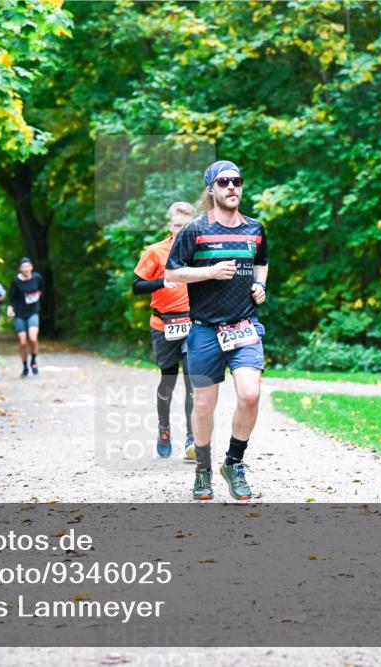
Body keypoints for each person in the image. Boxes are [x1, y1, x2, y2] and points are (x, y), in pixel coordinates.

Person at [165, 160, 268, 501]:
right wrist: (209, 273)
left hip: (244, 326)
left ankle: (234, 464)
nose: (231, 187)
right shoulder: (194, 230)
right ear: (211, 189)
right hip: (205, 331)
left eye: (236, 181)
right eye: (223, 182)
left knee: (250, 395)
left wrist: (260, 287)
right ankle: (203, 470)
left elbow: (261, 263)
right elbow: (172, 275)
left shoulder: (255, 229)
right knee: (204, 406)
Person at [132, 202, 197, 461]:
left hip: (193, 325)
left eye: (187, 227)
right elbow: (136, 285)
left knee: (194, 382)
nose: (182, 231)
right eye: (178, 226)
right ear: (171, 225)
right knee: (168, 382)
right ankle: (164, 429)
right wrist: (162, 281)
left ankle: (193, 438)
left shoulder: (201, 251)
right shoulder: (155, 251)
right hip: (163, 325)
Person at [6, 257, 44, 377]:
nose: (26, 269)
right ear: (20, 269)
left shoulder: (37, 278)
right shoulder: (16, 281)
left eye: (28, 267)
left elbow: (42, 289)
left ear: (31, 267)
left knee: (33, 338)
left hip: (33, 311)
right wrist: (9, 309)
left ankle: (33, 360)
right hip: (20, 313)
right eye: (23, 267)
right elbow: (11, 298)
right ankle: (25, 366)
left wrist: (36, 296)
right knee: (22, 342)